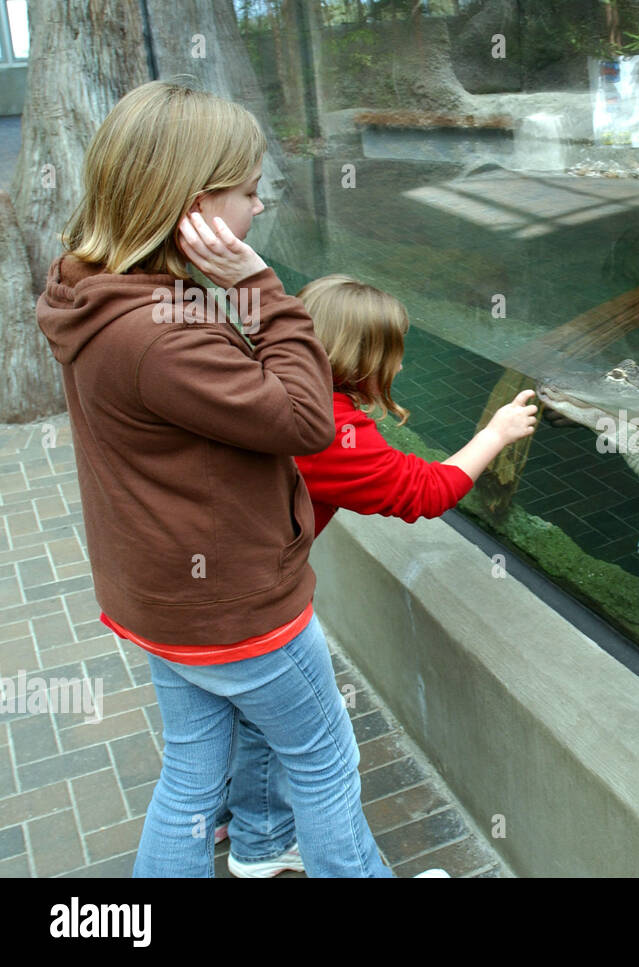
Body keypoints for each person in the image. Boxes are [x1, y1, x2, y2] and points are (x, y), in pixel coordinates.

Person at [37, 80, 393, 877]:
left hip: (160, 597)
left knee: (195, 777)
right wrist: (261, 286)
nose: (259, 207)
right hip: (234, 609)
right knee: (326, 759)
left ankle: (258, 850)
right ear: (197, 208)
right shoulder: (161, 336)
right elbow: (309, 421)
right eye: (249, 192)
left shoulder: (90, 287)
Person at [212, 274, 537, 877]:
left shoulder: (258, 381)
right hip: (253, 613)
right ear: (367, 360)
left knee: (250, 721)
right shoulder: (330, 430)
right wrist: (495, 434)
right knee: (326, 752)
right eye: (395, 350)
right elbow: (424, 490)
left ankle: (256, 840)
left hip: (198, 599)